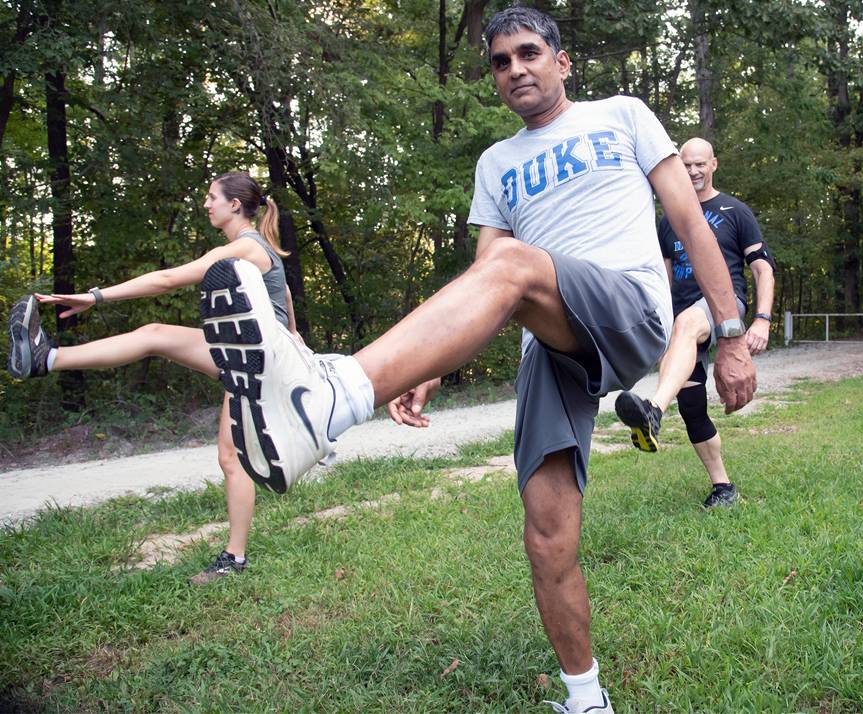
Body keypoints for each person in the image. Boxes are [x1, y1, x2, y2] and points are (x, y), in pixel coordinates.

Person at [198, 7, 755, 711]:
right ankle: (586, 700)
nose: (516, 69)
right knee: (547, 533)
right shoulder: (497, 164)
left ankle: (328, 402)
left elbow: (686, 220)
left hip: (628, 311)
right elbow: (484, 281)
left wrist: (730, 335)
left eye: (529, 53)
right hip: (551, 343)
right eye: (500, 61)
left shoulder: (623, 115)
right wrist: (432, 363)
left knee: (517, 263)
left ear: (562, 61)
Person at [7, 171, 297, 583]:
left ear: (235, 205)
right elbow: (283, 297)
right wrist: (295, 336)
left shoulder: (246, 248)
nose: (206, 204)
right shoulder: (252, 247)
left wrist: (95, 296)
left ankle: (234, 559)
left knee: (233, 458)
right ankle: (44, 357)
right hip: (250, 352)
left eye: (212, 197)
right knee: (154, 335)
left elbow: (166, 279)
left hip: (261, 360)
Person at [614, 137, 775, 508]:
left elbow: (762, 270)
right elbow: (664, 282)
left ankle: (653, 410)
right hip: (683, 318)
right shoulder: (669, 220)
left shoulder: (735, 211)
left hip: (724, 305)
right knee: (691, 405)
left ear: (713, 164)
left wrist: (762, 320)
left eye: (700, 164)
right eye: (686, 165)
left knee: (687, 323)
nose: (693, 171)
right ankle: (723, 487)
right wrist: (659, 335)